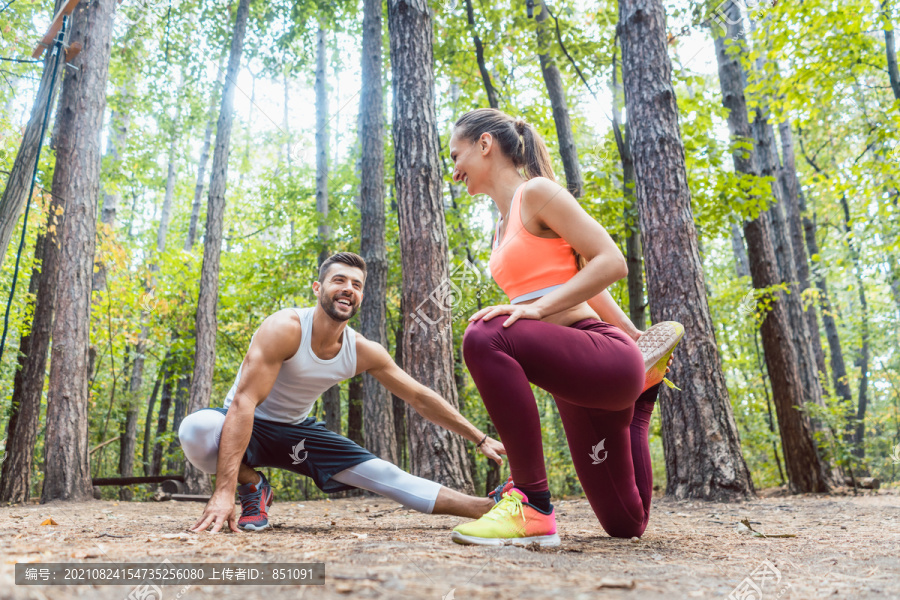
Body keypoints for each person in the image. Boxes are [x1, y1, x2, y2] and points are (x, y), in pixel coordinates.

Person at [446, 108, 683, 547]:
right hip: (577, 380)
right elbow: (576, 278)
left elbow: (611, 262)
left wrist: (540, 310)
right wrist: (640, 340)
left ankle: (532, 505)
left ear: (484, 145)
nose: (453, 168)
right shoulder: (499, 230)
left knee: (484, 334)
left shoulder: (536, 193)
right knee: (625, 523)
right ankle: (640, 402)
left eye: (456, 154)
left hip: (600, 354)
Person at [180, 252, 507, 534]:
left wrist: (479, 438)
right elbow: (244, 401)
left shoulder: (362, 350)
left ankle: (486, 507)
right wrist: (223, 491)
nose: (348, 288)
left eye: (357, 284)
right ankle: (252, 484)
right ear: (318, 288)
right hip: (245, 422)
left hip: (297, 436)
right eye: (339, 280)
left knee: (384, 473)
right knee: (197, 428)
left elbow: (419, 397)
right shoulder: (285, 328)